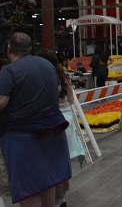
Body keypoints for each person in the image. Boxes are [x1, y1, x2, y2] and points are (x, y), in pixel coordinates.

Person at [0, 33, 71, 206]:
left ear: (9, 49)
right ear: (31, 48)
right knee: (47, 180)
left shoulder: (9, 71)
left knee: (28, 186)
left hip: (22, 137)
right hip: (52, 132)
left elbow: (2, 102)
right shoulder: (47, 65)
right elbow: (57, 89)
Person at [37, 49, 87, 207]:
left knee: (49, 162)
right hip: (67, 120)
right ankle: (61, 198)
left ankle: (55, 198)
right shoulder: (63, 77)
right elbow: (71, 99)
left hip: (51, 121)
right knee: (61, 161)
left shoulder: (41, 78)